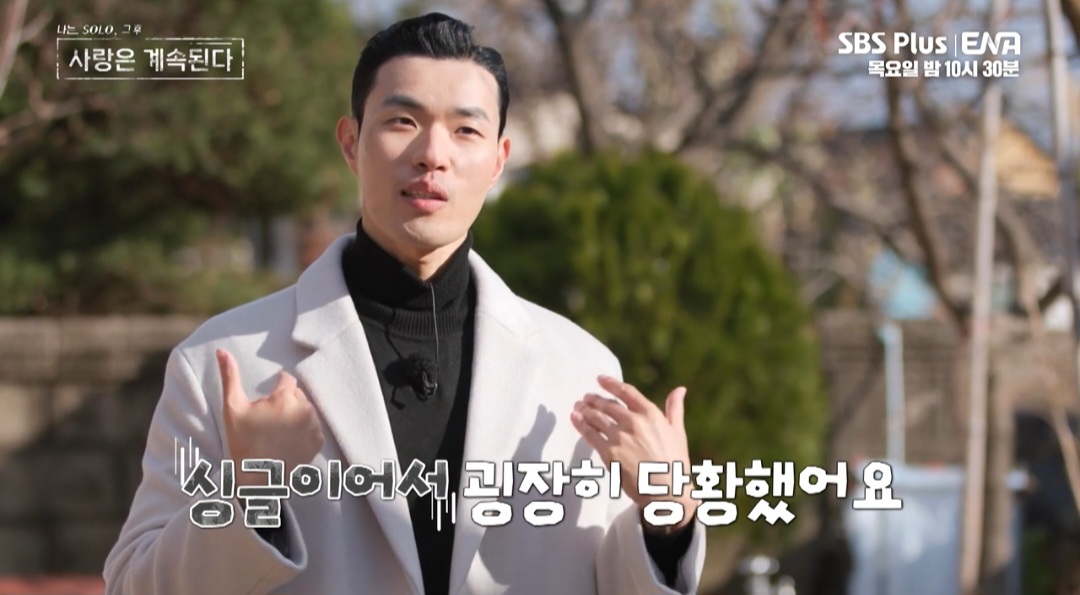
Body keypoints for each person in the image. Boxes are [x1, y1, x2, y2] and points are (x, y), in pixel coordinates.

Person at [103, 12, 706, 595]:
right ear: (350, 143)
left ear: (499, 160)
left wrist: (669, 516)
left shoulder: (577, 369)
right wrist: (253, 495)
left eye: (466, 130)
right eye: (402, 121)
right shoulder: (224, 361)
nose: (432, 154)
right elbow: (133, 585)